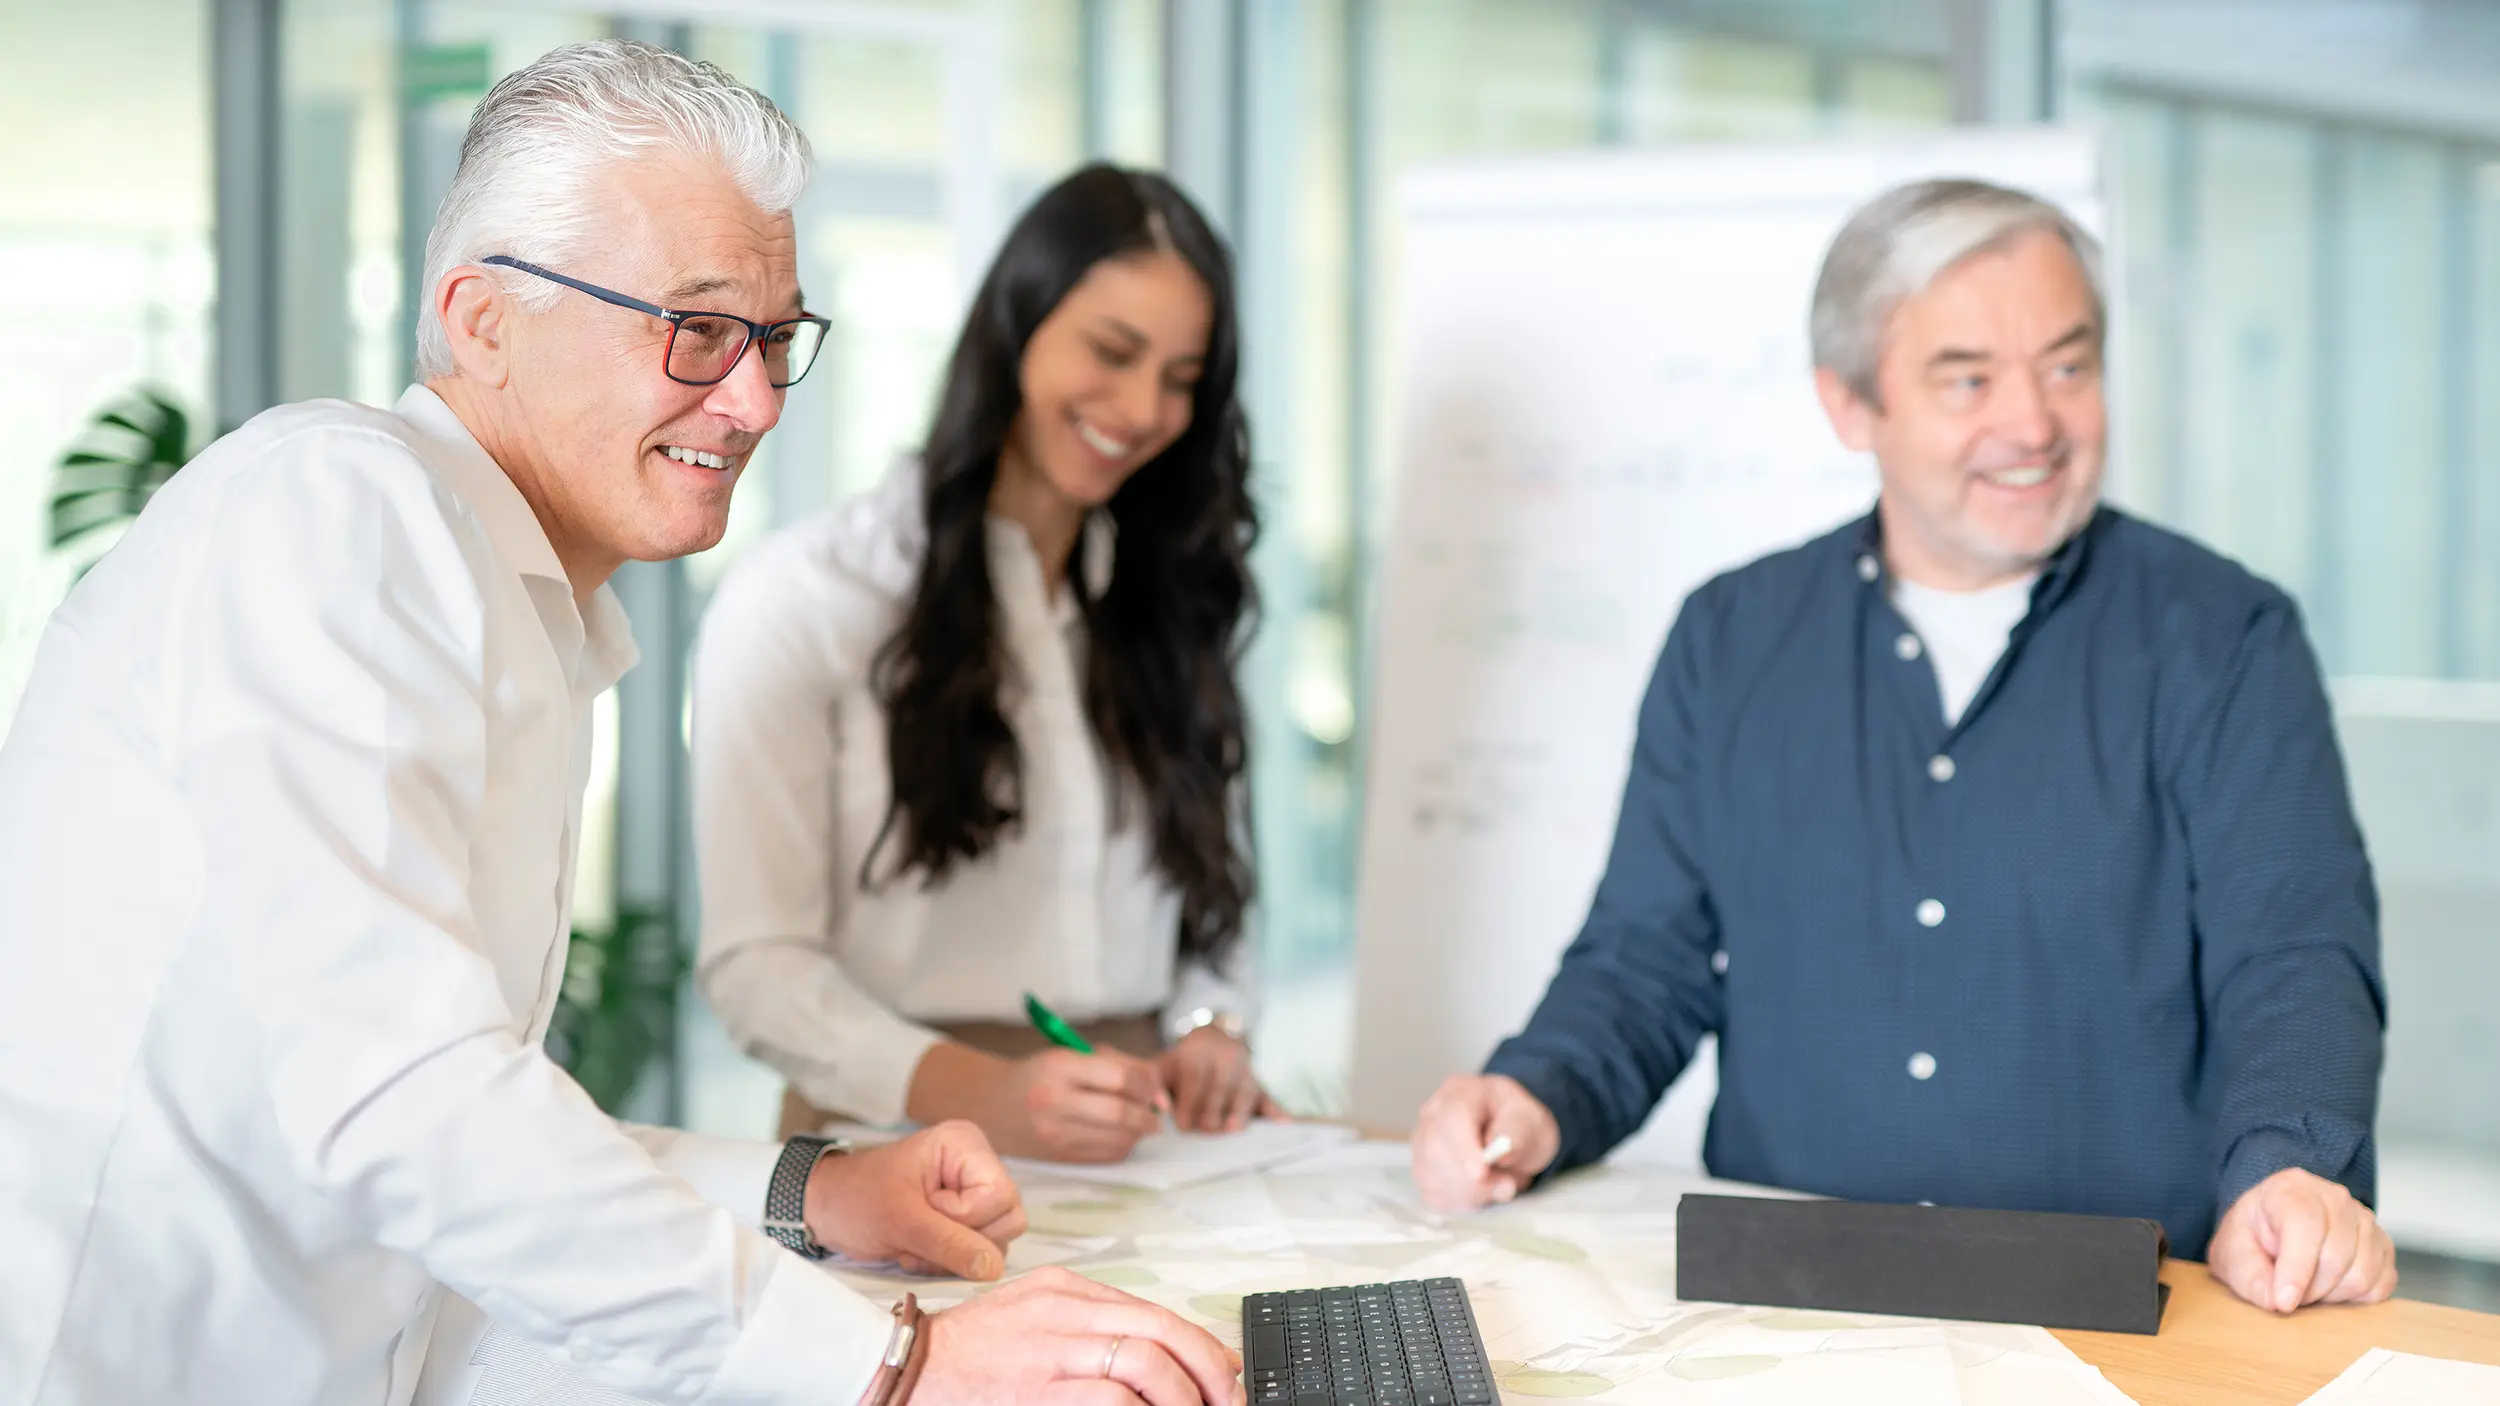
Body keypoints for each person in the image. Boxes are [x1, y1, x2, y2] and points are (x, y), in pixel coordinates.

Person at [0, 42, 1238, 1406]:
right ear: (482, 320)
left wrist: (815, 1186)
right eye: (696, 329)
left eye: (776, 341)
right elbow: (406, 1101)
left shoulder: (523, 607)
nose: (756, 401)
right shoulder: (335, 512)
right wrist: (896, 1360)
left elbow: (479, 1109)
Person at [1409, 178, 2396, 1315]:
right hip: (1788, 1303)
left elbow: (2294, 951)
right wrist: (1536, 1093)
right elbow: (1645, 958)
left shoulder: (2224, 636)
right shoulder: (1729, 638)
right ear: (1849, 404)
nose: (2032, 423)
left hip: (2128, 1305)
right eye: (1967, 378)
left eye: (2067, 365)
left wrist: (2291, 1165)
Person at [693, 163, 1275, 1164]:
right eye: (1111, 350)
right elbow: (757, 965)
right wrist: (984, 1092)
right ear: (1014, 327)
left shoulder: (1166, 600)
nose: (1141, 408)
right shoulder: (807, 596)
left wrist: (1207, 1028)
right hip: (893, 1150)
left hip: (1148, 1151)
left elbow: (1210, 894)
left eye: (1181, 379)